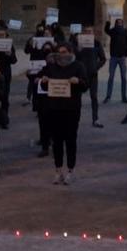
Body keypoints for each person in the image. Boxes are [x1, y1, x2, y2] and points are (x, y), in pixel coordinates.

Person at [42, 45, 86, 184]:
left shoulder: (78, 66)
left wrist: (78, 81)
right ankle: (58, 170)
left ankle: (70, 170)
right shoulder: (52, 66)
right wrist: (44, 82)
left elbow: (85, 85)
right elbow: (45, 86)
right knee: (57, 141)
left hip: (71, 109)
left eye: (64, 52)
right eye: (59, 52)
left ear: (70, 52)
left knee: (70, 140)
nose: (62, 55)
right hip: (55, 108)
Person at [73, 26, 105, 128]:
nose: (88, 33)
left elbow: (103, 58)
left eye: (89, 31)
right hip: (81, 75)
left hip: (92, 74)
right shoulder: (78, 43)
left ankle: (95, 119)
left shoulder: (96, 43)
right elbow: (73, 57)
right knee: (77, 97)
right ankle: (75, 118)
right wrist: (78, 50)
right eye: (86, 31)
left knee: (94, 97)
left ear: (93, 33)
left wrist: (96, 67)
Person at [0, 23, 19, 129]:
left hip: (6, 74)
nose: (1, 37)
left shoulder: (10, 45)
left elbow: (14, 60)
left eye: (3, 35)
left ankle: (4, 120)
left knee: (5, 97)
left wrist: (9, 54)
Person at [103, 17, 127, 104]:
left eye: (120, 22)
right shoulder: (113, 31)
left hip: (122, 57)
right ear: (116, 23)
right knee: (111, 77)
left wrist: (126, 53)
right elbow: (106, 30)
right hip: (114, 57)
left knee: (124, 78)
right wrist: (108, 22)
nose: (119, 24)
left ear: (122, 23)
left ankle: (124, 97)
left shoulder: (125, 31)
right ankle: (108, 96)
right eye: (118, 22)